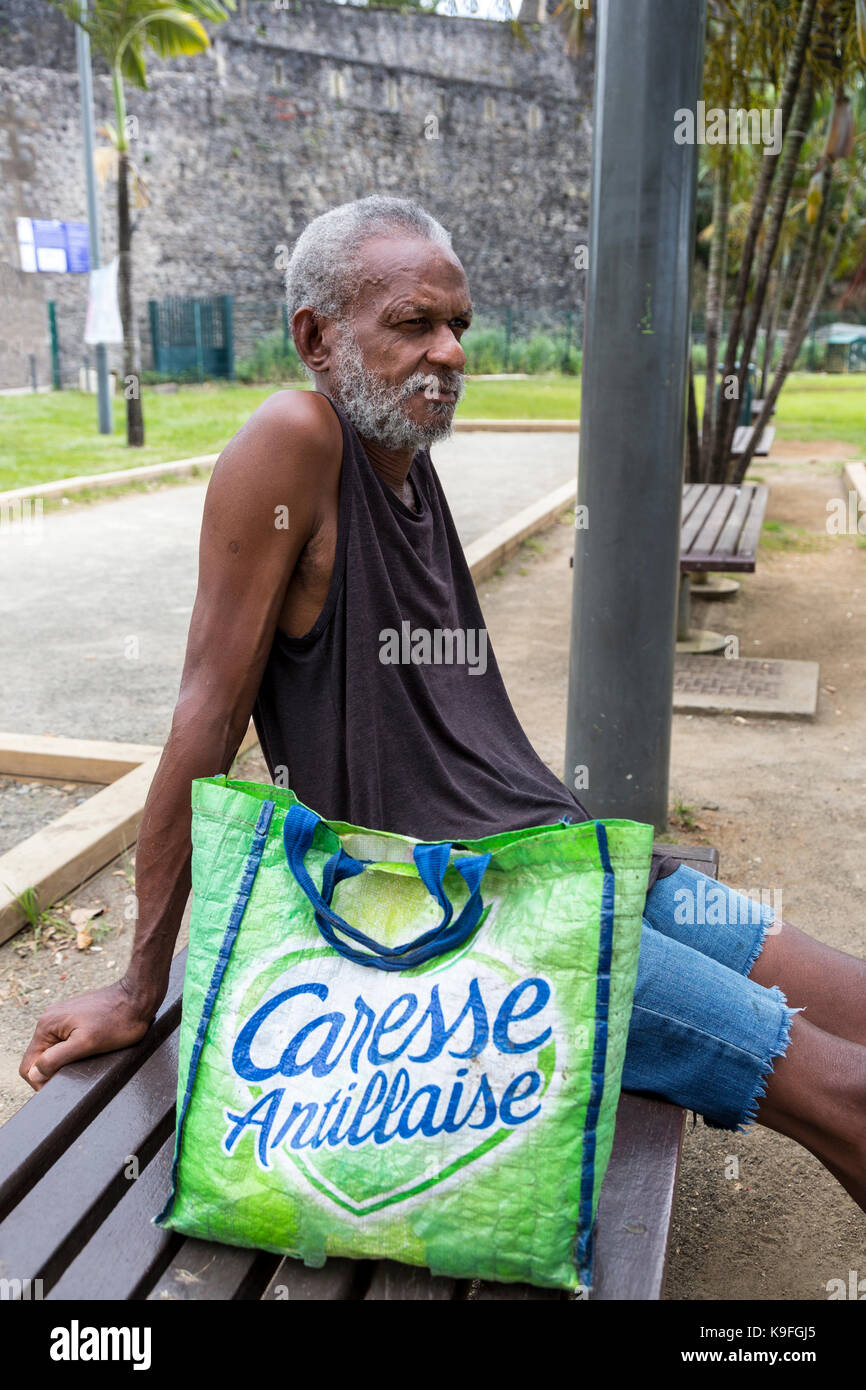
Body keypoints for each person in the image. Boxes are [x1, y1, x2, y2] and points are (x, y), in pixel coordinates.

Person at [19, 196, 866, 1213]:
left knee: (854, 1006)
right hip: (460, 928)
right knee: (844, 1090)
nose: (450, 351)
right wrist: (135, 984)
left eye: (457, 324)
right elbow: (204, 721)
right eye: (414, 324)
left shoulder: (406, 459)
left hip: (561, 865)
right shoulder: (294, 439)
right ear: (316, 338)